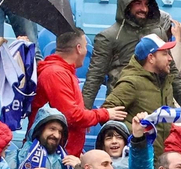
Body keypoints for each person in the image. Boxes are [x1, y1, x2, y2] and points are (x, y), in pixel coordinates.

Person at [31, 30, 122, 158]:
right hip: (53, 156)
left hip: (63, 154)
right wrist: (104, 114)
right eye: (85, 46)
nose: (86, 51)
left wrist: (87, 120)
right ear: (78, 48)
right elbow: (71, 116)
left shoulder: (63, 72)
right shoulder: (56, 74)